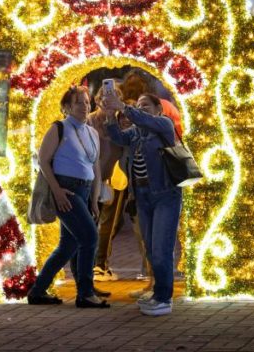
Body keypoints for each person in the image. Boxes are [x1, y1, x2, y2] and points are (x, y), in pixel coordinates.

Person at [27, 85, 110, 309]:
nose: (84, 106)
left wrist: (94, 199)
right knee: (90, 238)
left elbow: (96, 167)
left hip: (85, 190)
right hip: (67, 190)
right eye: (78, 103)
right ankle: (85, 293)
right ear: (67, 107)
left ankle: (37, 291)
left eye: (86, 102)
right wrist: (57, 191)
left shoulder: (92, 132)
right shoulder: (59, 128)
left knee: (68, 245)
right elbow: (43, 161)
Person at [102, 92, 181, 317]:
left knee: (161, 250)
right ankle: (158, 294)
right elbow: (117, 136)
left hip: (165, 194)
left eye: (146, 105)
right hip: (143, 197)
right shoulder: (136, 132)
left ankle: (165, 299)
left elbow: (145, 120)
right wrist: (110, 115)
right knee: (150, 249)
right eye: (138, 105)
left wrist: (124, 107)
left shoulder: (163, 125)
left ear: (158, 109)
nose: (141, 109)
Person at [87, 88, 127, 282]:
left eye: (115, 98)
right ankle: (97, 265)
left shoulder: (122, 120)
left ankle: (99, 264)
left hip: (114, 178)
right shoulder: (90, 120)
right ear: (98, 100)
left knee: (109, 223)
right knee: (97, 223)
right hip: (95, 178)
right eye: (106, 98)